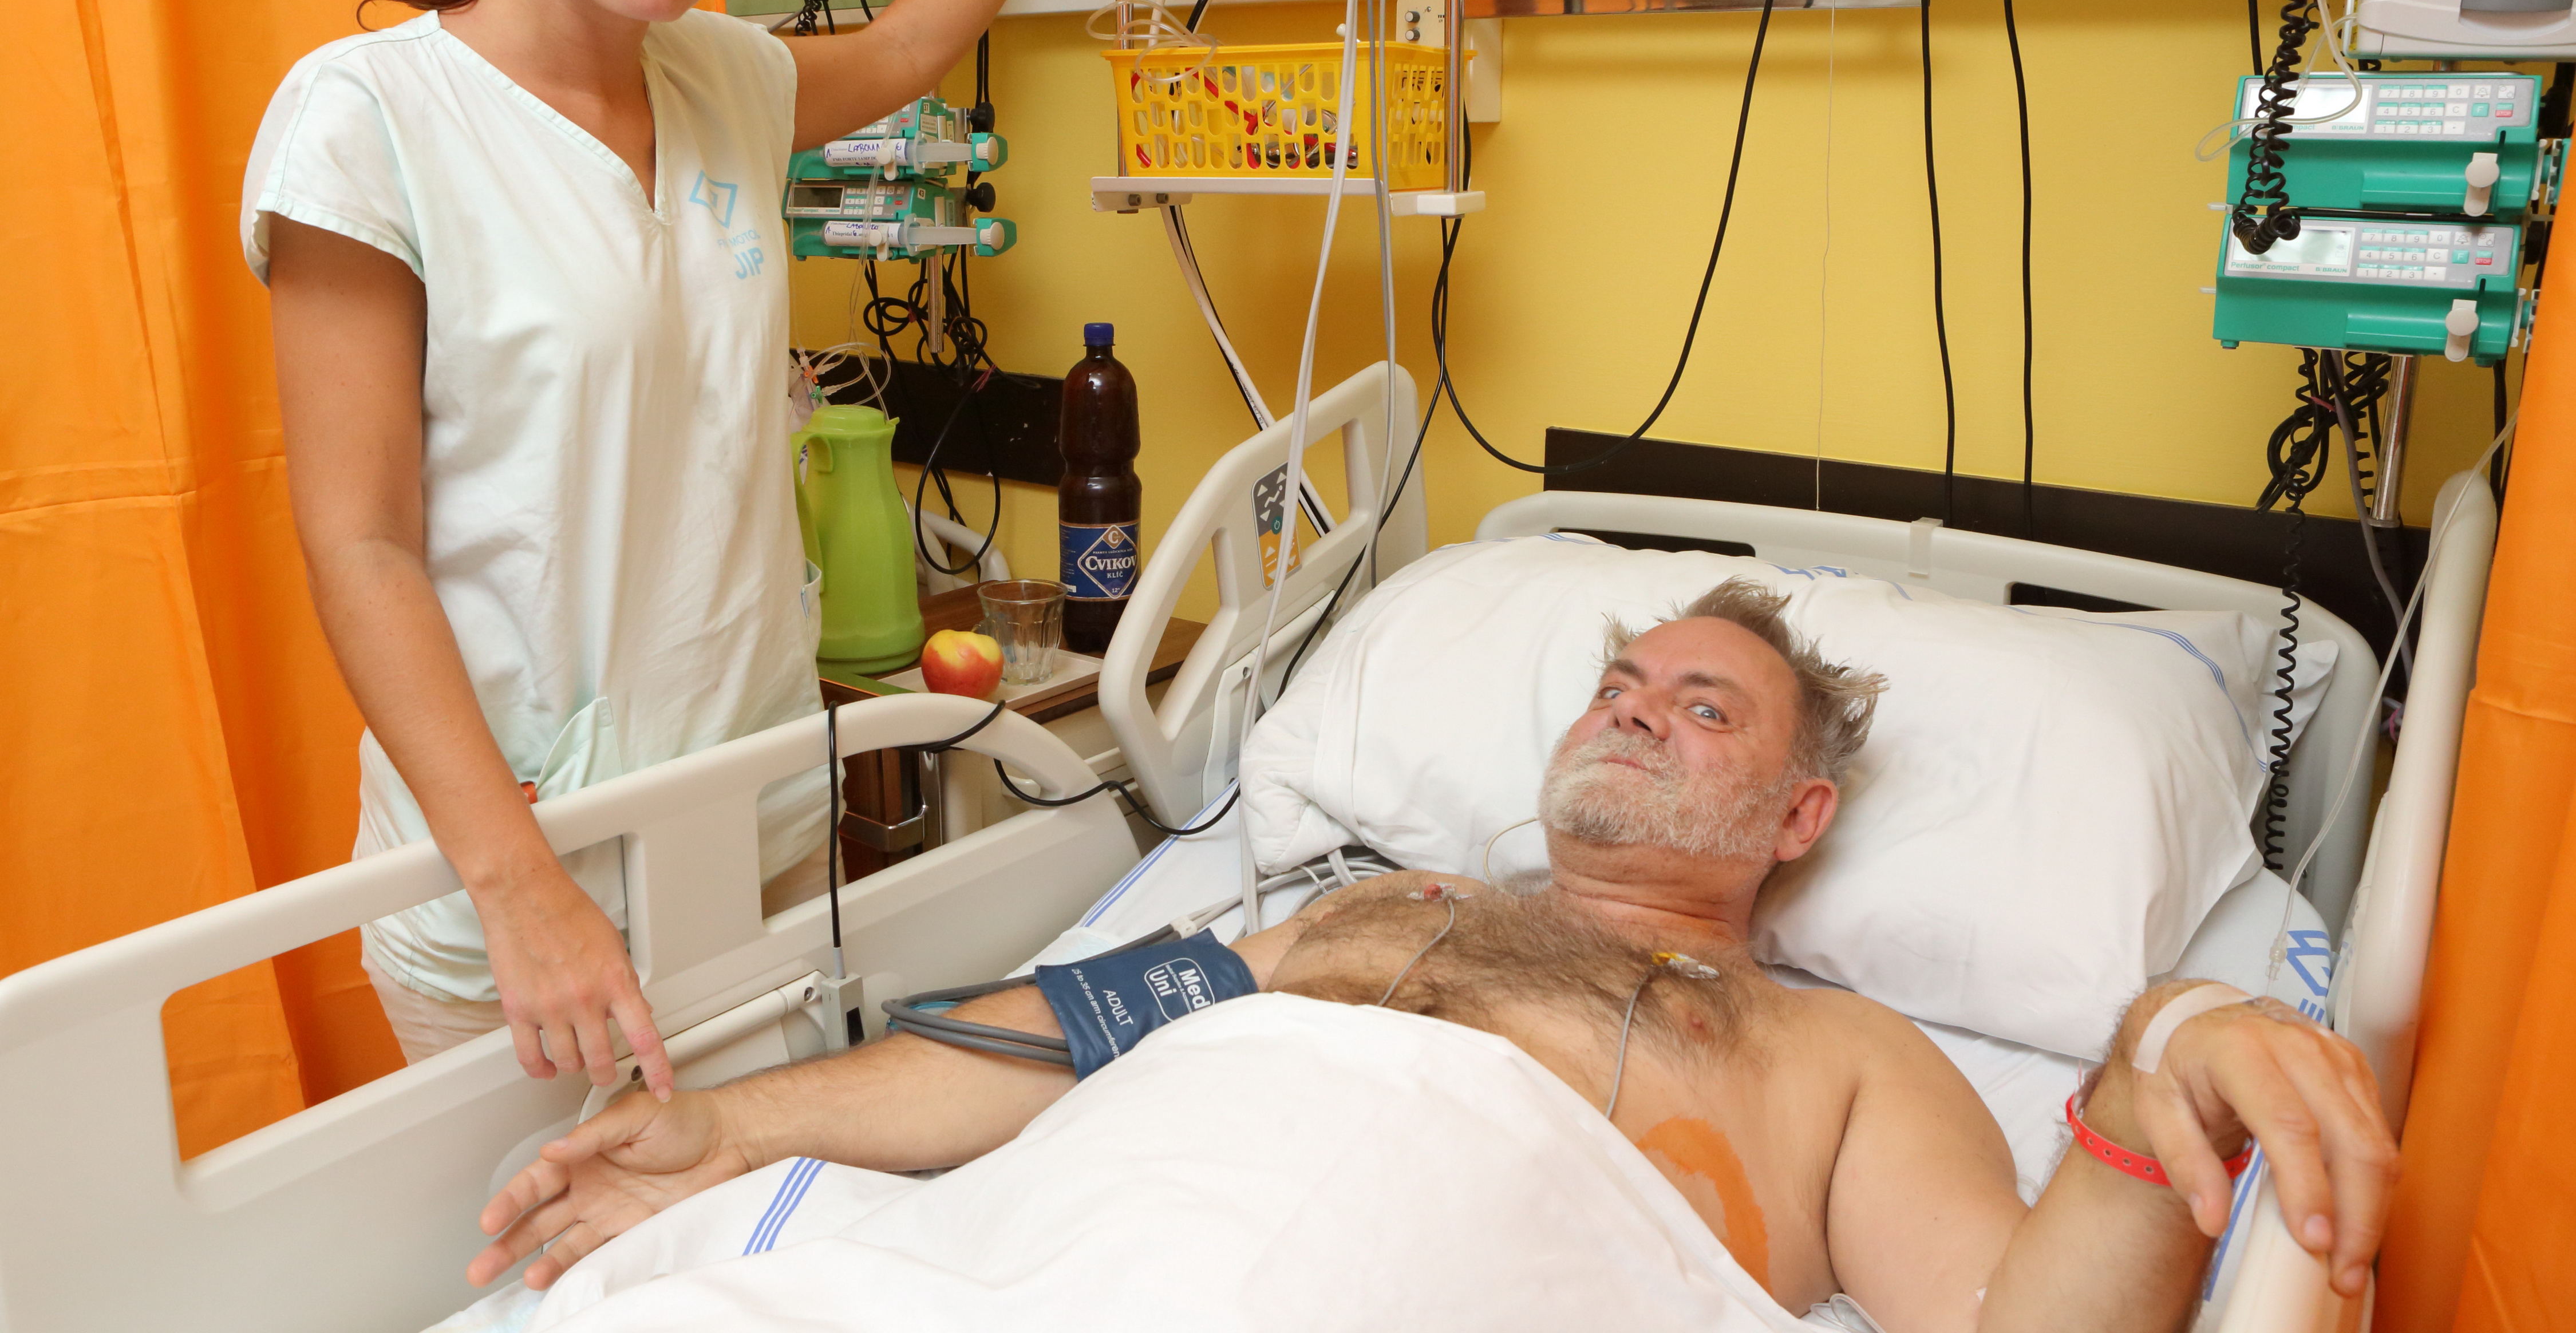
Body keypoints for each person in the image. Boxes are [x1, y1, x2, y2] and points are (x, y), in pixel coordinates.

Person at [468, 579, 2399, 1329]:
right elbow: (1059, 1035)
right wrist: (729, 1131)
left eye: (1704, 710)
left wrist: (2160, 1053)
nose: (1634, 710)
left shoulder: (1837, 1058)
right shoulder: (1360, 914)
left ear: (1799, 816)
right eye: (1620, 685)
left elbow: (2013, 1327)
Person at [243, 0, 1146, 1096]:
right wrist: (518, 884)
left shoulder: (723, 77)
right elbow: (361, 544)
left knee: (760, 1217)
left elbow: (909, 45)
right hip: (523, 875)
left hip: (753, 821)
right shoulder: (370, 122)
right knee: (565, 1240)